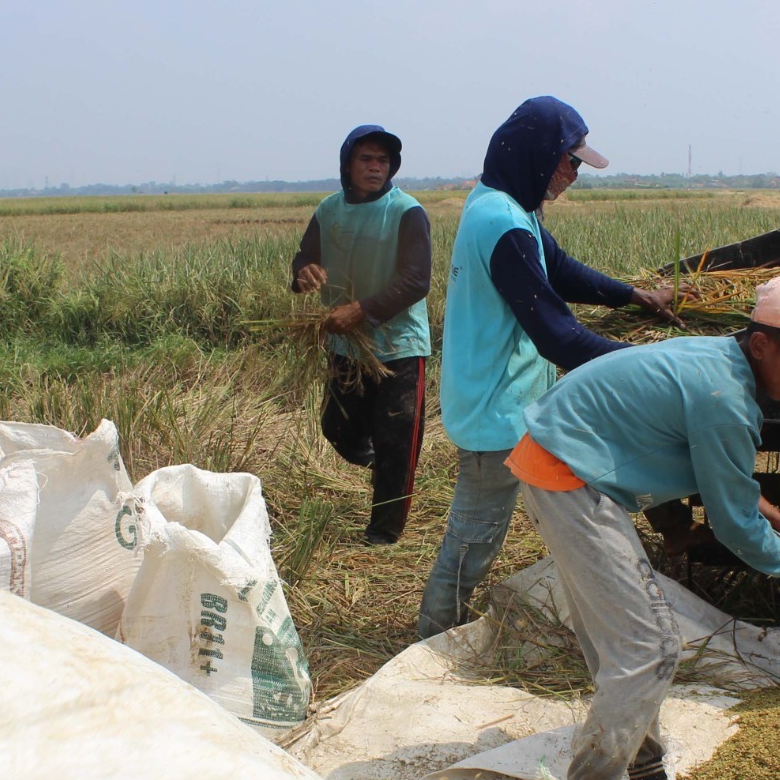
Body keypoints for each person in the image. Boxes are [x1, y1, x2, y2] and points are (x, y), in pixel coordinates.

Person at [504, 276, 780, 780]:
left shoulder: (720, 363)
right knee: (648, 647)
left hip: (565, 460)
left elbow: (690, 452)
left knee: (622, 643)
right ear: (761, 345)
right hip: (569, 474)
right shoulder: (726, 396)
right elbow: (731, 527)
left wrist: (748, 500)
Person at [417, 96, 681, 638]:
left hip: (508, 398)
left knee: (497, 525)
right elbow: (558, 335)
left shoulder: (508, 206)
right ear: (539, 154)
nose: (575, 174)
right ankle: (432, 636)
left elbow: (557, 268)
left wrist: (634, 296)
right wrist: (654, 363)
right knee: (475, 535)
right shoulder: (503, 222)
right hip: (496, 407)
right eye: (571, 160)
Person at [290, 125, 432, 544]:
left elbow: (416, 280)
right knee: (338, 429)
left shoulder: (406, 211)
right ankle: (382, 463)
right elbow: (305, 259)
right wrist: (303, 274)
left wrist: (362, 310)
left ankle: (384, 534)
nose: (375, 167)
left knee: (397, 441)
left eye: (382, 161)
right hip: (344, 344)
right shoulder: (329, 210)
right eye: (366, 159)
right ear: (347, 164)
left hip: (399, 346)